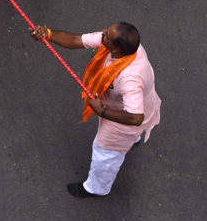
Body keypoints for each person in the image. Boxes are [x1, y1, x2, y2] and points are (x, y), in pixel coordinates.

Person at [29, 21, 161, 197]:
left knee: (104, 153)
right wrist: (48, 34)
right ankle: (134, 139)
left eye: (107, 35)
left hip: (126, 118)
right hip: (136, 103)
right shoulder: (122, 46)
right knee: (132, 131)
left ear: (115, 50)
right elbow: (76, 40)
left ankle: (97, 188)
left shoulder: (131, 78)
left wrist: (102, 112)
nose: (103, 32)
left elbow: (136, 118)